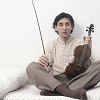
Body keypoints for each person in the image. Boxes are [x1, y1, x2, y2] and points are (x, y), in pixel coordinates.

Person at [26, 12, 100, 100]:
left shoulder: (80, 43)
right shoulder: (51, 44)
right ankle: (68, 92)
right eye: (60, 25)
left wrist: (87, 48)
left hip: (76, 80)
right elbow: (47, 69)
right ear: (56, 28)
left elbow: (88, 67)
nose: (64, 28)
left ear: (72, 27)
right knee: (31, 66)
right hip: (56, 80)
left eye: (67, 24)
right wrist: (43, 64)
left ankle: (56, 92)